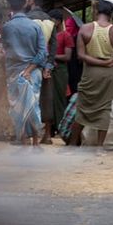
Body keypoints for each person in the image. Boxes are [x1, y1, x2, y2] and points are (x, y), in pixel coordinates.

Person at [69, 0, 113, 148]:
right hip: (108, 74)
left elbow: (80, 55)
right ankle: (99, 147)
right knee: (104, 108)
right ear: (111, 14)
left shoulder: (85, 29)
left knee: (82, 107)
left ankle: (73, 144)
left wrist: (99, 62)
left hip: (90, 73)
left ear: (96, 11)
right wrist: (106, 63)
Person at [2, 0, 47, 148]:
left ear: (10, 6)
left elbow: (5, 51)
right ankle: (36, 143)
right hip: (33, 73)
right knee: (33, 106)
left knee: (17, 108)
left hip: (13, 73)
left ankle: (23, 142)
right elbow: (42, 53)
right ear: (25, 4)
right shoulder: (35, 26)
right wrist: (29, 69)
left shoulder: (7, 27)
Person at [25, 0, 57, 144]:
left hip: (30, 65)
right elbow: (53, 46)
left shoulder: (27, 18)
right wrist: (48, 66)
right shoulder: (50, 21)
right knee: (46, 99)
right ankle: (48, 135)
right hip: (45, 66)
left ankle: (29, 136)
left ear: (31, 0)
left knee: (29, 100)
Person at [49, 8, 74, 138]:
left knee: (60, 99)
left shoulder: (65, 35)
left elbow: (67, 57)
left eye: (52, 20)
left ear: (58, 21)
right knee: (49, 99)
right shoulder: (47, 35)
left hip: (60, 70)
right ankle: (51, 127)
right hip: (50, 69)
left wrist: (52, 57)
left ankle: (61, 126)